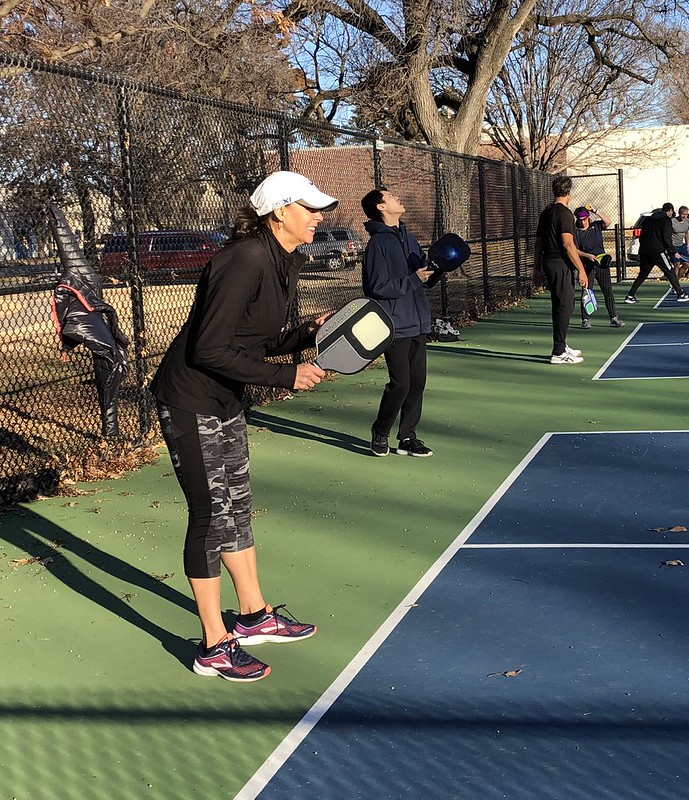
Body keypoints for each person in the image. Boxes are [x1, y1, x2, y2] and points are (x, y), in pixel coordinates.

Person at [149, 171, 338, 683]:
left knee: (236, 503)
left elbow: (249, 341)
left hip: (225, 399)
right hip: (190, 400)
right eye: (310, 207)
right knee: (210, 514)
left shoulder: (283, 260)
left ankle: (254, 615)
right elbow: (209, 348)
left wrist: (304, 334)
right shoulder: (244, 259)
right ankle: (213, 644)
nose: (319, 216)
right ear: (279, 213)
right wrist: (285, 376)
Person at [361, 187, 436, 458]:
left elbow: (421, 276)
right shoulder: (377, 245)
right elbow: (377, 286)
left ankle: (408, 437)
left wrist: (435, 271)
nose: (397, 197)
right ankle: (380, 431)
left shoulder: (410, 237)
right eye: (391, 196)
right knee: (400, 384)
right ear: (381, 207)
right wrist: (415, 278)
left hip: (418, 321)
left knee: (417, 383)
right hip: (394, 325)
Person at [533, 175, 589, 365]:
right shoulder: (565, 214)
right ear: (569, 193)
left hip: (549, 262)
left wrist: (537, 268)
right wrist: (581, 269)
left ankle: (561, 345)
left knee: (564, 303)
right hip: (559, 263)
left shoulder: (546, 211)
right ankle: (558, 351)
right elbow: (567, 244)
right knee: (564, 305)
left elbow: (539, 243)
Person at [624, 203, 689, 304]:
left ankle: (630, 296)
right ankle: (681, 294)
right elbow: (667, 238)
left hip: (645, 251)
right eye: (672, 212)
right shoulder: (666, 220)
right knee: (670, 271)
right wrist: (674, 251)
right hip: (658, 251)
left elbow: (641, 236)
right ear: (670, 210)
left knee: (643, 274)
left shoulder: (648, 220)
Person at [573, 205, 624, 329]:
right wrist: (587, 255)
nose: (582, 221)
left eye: (584, 218)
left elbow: (608, 222)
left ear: (588, 217)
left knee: (608, 292)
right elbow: (574, 250)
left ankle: (614, 318)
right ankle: (585, 320)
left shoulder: (596, 226)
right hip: (587, 266)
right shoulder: (576, 233)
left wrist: (595, 211)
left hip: (601, 265)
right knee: (586, 292)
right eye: (579, 219)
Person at [671, 205, 689, 278]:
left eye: (686, 214)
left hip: (682, 245)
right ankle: (675, 286)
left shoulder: (687, 222)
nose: (684, 216)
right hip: (674, 245)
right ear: (679, 213)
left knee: (686, 264)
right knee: (677, 264)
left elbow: (686, 233)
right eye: (683, 214)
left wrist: (687, 245)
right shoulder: (673, 221)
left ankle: (676, 281)